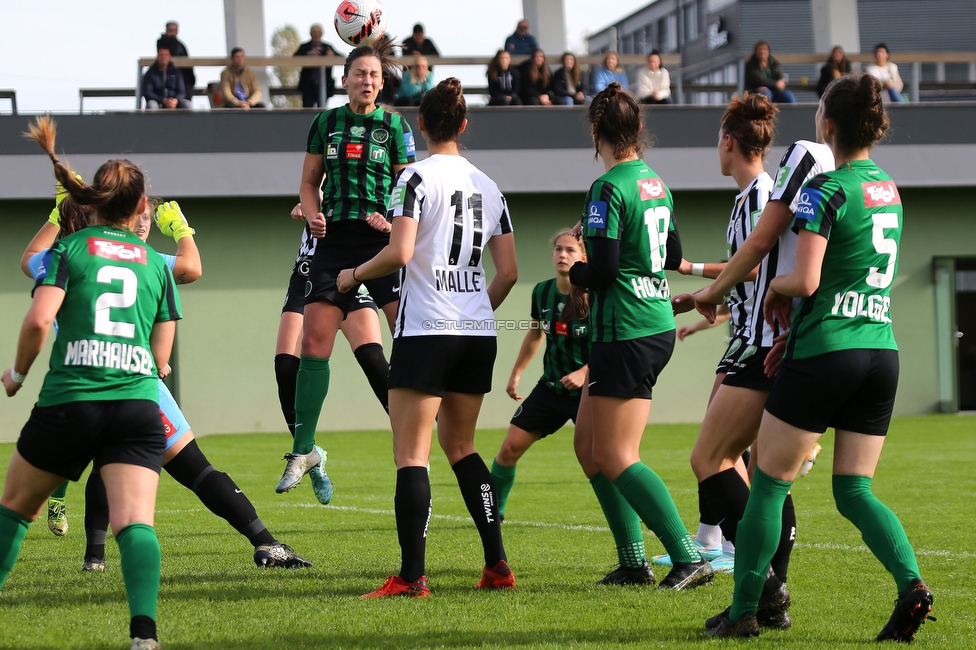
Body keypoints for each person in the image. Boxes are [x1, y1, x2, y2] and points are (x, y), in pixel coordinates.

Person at [706, 74, 934, 641]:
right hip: (880, 351)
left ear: (828, 124)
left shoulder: (826, 188)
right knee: (855, 490)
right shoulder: (888, 187)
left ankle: (742, 614)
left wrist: (778, 293)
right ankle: (913, 587)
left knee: (768, 486)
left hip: (827, 352)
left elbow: (805, 279)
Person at [1, 115, 181, 650]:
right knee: (135, 523)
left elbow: (37, 321)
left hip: (70, 401)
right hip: (135, 405)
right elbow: (161, 353)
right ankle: (144, 636)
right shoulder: (155, 263)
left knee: (15, 507)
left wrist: (16, 374)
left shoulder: (70, 251)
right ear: (142, 208)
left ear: (95, 201)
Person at [336, 77, 519, 598]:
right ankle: (497, 565)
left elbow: (399, 252)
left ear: (420, 124)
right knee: (462, 446)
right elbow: (506, 272)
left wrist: (351, 275)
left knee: (411, 456)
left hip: (427, 330)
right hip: (477, 332)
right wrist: (476, 309)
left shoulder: (413, 178)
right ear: (463, 125)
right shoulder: (490, 186)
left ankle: (413, 577)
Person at [664, 98, 805, 624]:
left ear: (728, 141)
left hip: (760, 344)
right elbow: (756, 278)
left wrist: (697, 273)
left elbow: (754, 269)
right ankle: (771, 591)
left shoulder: (762, 197)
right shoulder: (752, 195)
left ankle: (766, 582)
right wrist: (700, 299)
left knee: (712, 460)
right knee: (765, 473)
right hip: (752, 338)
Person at [569, 82, 712, 590]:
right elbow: (671, 256)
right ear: (637, 130)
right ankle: (633, 561)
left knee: (615, 455)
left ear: (596, 131)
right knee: (589, 448)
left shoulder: (608, 187)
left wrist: (577, 271)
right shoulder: (655, 181)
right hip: (651, 323)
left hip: (626, 329)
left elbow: (603, 272)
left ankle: (688, 556)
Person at [275, 37, 416, 499]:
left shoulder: (396, 125)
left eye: (374, 75)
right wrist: (312, 212)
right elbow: (307, 182)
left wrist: (392, 218)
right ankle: (303, 450)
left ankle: (417, 428)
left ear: (382, 81)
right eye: (360, 74)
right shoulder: (326, 123)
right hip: (334, 243)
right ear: (345, 79)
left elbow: (409, 185)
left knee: (406, 333)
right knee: (314, 341)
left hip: (382, 241)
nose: (368, 81)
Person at [273, 201, 393, 503]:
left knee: (372, 357)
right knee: (286, 366)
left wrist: (388, 223)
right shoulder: (326, 166)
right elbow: (308, 195)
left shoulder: (375, 177)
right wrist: (308, 207)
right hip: (308, 274)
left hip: (352, 271)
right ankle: (308, 452)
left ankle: (410, 439)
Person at [490, 230, 588, 519]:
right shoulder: (542, 291)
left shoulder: (595, 296)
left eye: (570, 250)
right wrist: (516, 373)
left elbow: (614, 343)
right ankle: (494, 515)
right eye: (558, 249)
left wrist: (584, 372)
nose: (562, 255)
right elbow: (536, 333)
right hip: (551, 389)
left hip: (589, 392)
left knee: (603, 461)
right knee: (509, 448)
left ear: (583, 257)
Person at [295, 24, 338, 108]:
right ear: (310, 34)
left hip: (324, 84)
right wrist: (308, 54)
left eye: (318, 32)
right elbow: (294, 58)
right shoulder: (305, 47)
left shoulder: (327, 47)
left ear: (322, 34)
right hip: (308, 85)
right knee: (307, 111)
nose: (316, 34)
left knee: (322, 111)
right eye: (314, 32)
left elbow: (342, 57)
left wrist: (332, 55)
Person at [157, 20, 195, 98]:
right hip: (170, 79)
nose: (173, 32)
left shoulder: (180, 44)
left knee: (186, 101)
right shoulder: (162, 42)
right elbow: (167, 55)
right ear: (166, 30)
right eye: (170, 30)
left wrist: (192, 78)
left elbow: (186, 60)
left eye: (175, 30)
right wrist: (171, 40)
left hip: (185, 79)